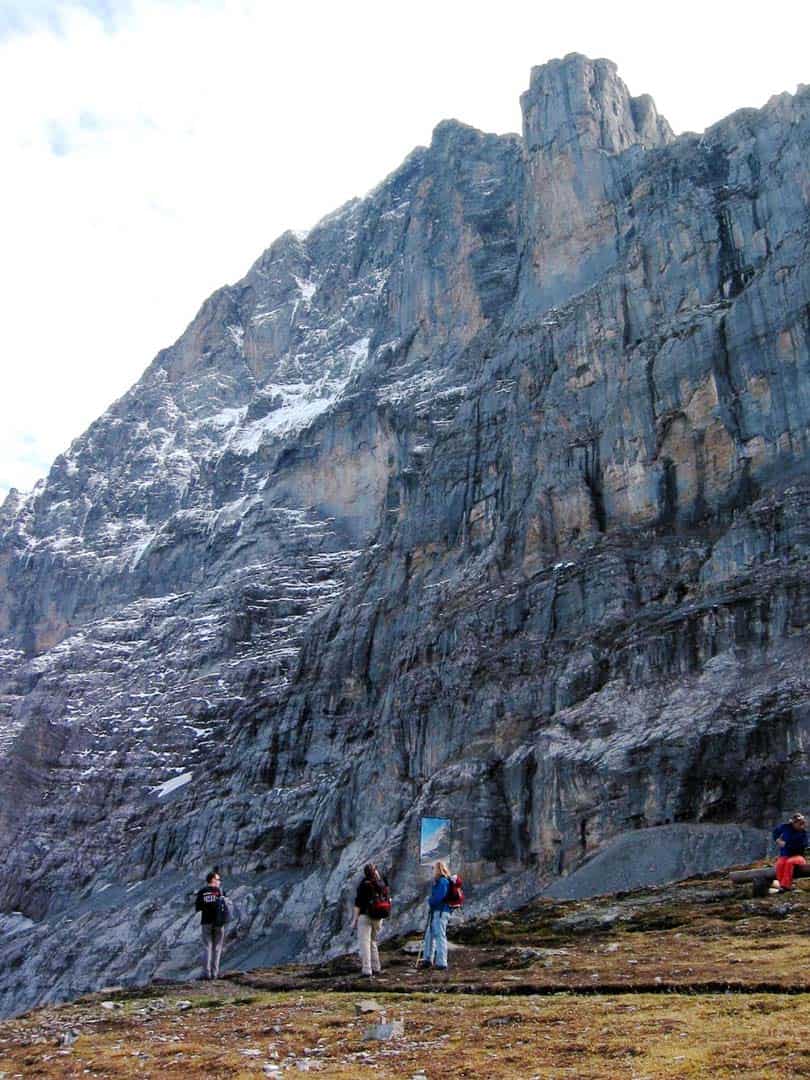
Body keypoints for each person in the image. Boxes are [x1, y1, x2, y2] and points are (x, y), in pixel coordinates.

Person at [351, 863, 390, 977]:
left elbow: (358, 904)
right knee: (373, 941)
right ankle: (376, 967)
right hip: (379, 917)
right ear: (375, 871)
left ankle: (367, 970)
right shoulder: (382, 883)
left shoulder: (364, 884)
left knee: (365, 943)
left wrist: (354, 920)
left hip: (365, 916)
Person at [195, 869, 230, 979]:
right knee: (217, 948)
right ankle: (215, 973)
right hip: (219, 923)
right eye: (218, 879)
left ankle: (206, 973)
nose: (220, 881)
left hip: (206, 922)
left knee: (207, 947)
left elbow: (198, 907)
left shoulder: (202, 892)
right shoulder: (220, 891)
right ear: (213, 880)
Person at [419, 860, 452, 970]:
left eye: (433, 869)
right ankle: (428, 959)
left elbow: (439, 897)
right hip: (437, 912)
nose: (432, 871)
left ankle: (441, 962)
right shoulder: (440, 881)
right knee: (430, 935)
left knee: (439, 935)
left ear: (438, 869)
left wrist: (431, 901)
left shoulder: (443, 881)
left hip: (440, 912)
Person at [770, 812, 808, 893]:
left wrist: (786, 844)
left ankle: (786, 886)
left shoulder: (803, 833)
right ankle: (781, 885)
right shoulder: (785, 827)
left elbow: (803, 845)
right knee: (779, 864)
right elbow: (775, 832)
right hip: (785, 855)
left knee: (789, 862)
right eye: (799, 823)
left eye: (802, 823)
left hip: (798, 856)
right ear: (794, 822)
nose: (801, 825)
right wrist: (777, 840)